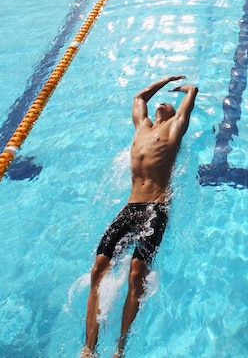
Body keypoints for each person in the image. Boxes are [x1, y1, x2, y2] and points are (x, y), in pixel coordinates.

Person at [82, 75, 198, 358]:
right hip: (131, 206)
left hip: (155, 208)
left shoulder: (174, 128)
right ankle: (89, 347)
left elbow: (192, 93)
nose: (165, 102)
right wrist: (165, 79)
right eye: (163, 101)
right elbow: (138, 99)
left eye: (170, 104)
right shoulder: (142, 127)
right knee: (98, 268)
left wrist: (184, 88)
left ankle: (120, 348)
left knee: (136, 274)